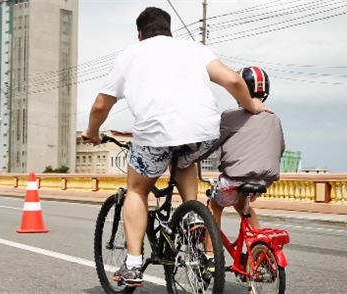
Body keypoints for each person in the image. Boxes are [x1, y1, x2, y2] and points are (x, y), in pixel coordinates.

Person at [81, 7, 270, 285]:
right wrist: (251, 104)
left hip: (155, 134)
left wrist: (92, 132)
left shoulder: (130, 55)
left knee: (136, 189)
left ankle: (133, 264)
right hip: (202, 132)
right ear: (169, 30)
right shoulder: (195, 49)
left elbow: (100, 105)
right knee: (184, 156)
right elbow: (232, 79)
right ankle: (192, 216)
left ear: (140, 34)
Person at [206, 66, 284, 231]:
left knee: (215, 205)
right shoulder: (274, 118)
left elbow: (211, 144)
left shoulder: (230, 116)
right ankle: (257, 246)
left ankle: (211, 254)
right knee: (243, 206)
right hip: (264, 180)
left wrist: (192, 157)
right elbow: (280, 149)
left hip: (236, 179)